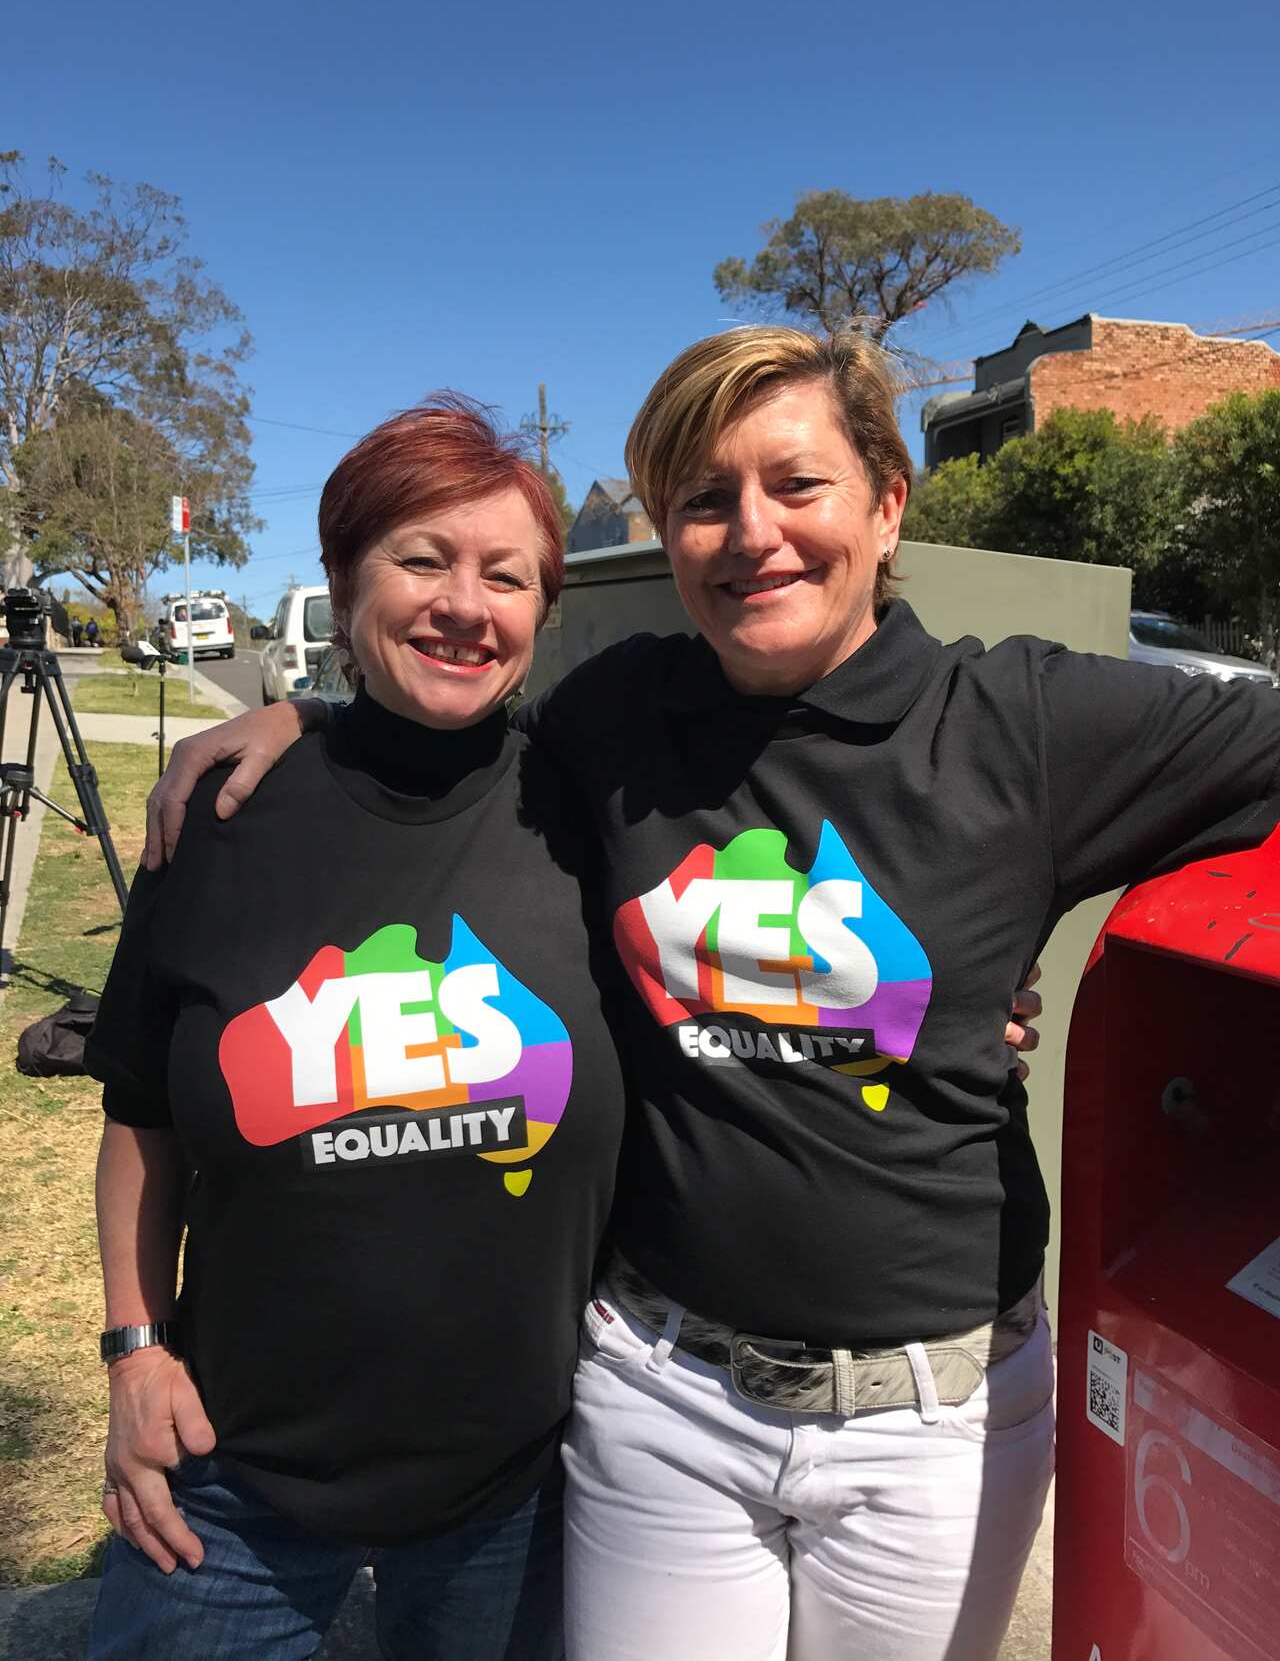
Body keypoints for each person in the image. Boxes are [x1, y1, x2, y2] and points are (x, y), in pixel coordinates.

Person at [144, 325, 1248, 1661]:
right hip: (663, 1394)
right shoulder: (617, 714)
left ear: (890, 503)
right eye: (704, 500)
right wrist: (310, 718)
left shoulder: (1026, 726)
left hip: (930, 1425)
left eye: (798, 484)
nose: (753, 533)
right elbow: (446, 730)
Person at [86, 399, 626, 1660]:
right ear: (341, 579)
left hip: (520, 1488)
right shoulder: (219, 818)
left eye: (507, 575)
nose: (465, 605)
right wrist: (132, 1348)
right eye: (421, 559)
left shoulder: (593, 814)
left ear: (541, 610)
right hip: (232, 1482)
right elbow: (142, 1118)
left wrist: (954, 1000)